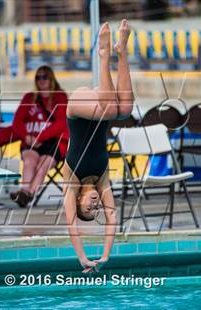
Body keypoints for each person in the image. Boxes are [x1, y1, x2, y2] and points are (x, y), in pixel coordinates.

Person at [63, 20, 134, 273]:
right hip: (98, 105)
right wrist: (105, 256)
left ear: (79, 200)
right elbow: (112, 217)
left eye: (87, 209)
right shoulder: (102, 182)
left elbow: (72, 224)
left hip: (77, 108)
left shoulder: (71, 183)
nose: (94, 206)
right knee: (124, 111)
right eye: (96, 209)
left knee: (111, 110)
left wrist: (82, 257)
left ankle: (103, 54)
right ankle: (122, 51)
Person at [0, 65, 69, 208]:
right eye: (38, 77)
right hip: (30, 141)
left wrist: (40, 138)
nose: (41, 80)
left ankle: (27, 193)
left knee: (42, 167)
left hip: (54, 142)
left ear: (51, 79)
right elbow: (17, 122)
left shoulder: (60, 97)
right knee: (30, 162)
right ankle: (25, 192)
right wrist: (27, 137)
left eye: (44, 77)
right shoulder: (29, 97)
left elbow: (61, 124)